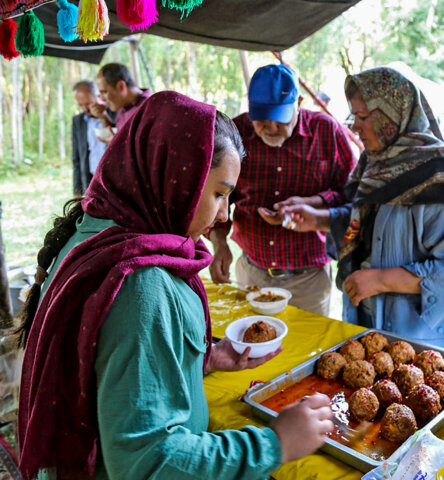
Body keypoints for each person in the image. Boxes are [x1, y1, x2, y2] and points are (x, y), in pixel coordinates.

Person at [17, 91, 333, 480]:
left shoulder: (96, 232)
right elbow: (147, 461)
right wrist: (275, 443)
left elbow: (112, 368)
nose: (222, 216)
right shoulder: (141, 285)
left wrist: (200, 360)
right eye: (219, 193)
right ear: (174, 176)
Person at [283, 67, 444, 352]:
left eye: (363, 117)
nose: (354, 126)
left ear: (392, 115)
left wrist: (379, 280)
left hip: (418, 338)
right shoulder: (376, 163)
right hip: (366, 321)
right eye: (353, 115)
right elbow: (367, 225)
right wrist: (319, 219)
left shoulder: (441, 175)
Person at [209, 64, 355, 316]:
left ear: (299, 102)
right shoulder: (236, 133)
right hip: (251, 272)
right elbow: (219, 194)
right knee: (253, 347)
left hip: (308, 279)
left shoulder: (328, 132)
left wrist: (315, 202)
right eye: (261, 119)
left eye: (279, 118)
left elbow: (351, 196)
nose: (270, 128)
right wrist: (219, 242)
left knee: (310, 351)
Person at [71, 80, 114, 198]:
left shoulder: (114, 114)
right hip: (90, 180)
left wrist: (104, 117)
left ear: (99, 97)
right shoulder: (78, 121)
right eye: (80, 105)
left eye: (88, 103)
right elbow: (77, 158)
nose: (85, 108)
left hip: (113, 179)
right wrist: (77, 191)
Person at [93, 63, 151, 131]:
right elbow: (119, 135)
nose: (102, 98)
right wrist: (104, 118)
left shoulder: (148, 108)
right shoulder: (122, 106)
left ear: (121, 86)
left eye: (104, 92)